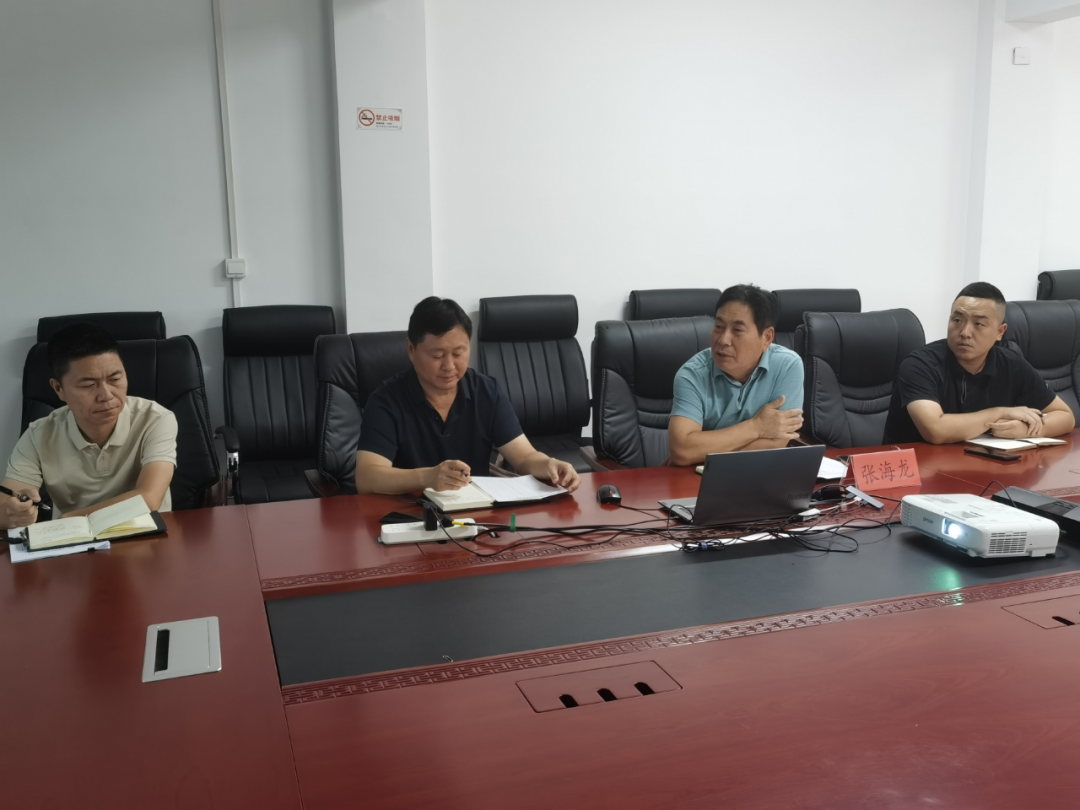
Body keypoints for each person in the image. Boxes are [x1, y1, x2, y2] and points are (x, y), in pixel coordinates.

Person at [355, 297, 581, 495]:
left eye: (458, 353)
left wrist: (550, 464)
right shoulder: (386, 401)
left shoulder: (486, 391)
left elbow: (524, 458)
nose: (449, 366)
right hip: (409, 514)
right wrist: (427, 477)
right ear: (411, 350)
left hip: (475, 512)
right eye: (437, 355)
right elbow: (366, 478)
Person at [1, 322, 178, 530]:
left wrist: (69, 519)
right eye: (88, 385)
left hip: (148, 535)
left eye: (115, 379)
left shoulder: (155, 419)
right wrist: (13, 513)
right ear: (58, 389)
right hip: (76, 543)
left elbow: (148, 499)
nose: (106, 395)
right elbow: (6, 503)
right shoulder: (38, 436)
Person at [883, 282, 1075, 445]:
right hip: (919, 468)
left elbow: (1065, 416)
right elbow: (935, 430)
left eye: (978, 324)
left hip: (983, 464)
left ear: (1000, 332)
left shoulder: (1011, 363)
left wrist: (1025, 430)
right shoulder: (920, 364)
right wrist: (1000, 413)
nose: (965, 332)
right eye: (957, 320)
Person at [667, 284, 804, 466]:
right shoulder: (692, 375)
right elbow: (683, 450)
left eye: (737, 330)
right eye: (718, 326)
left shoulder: (787, 366)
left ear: (767, 338)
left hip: (758, 470)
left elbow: (776, 443)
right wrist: (757, 427)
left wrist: (703, 449)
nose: (723, 340)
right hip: (697, 475)